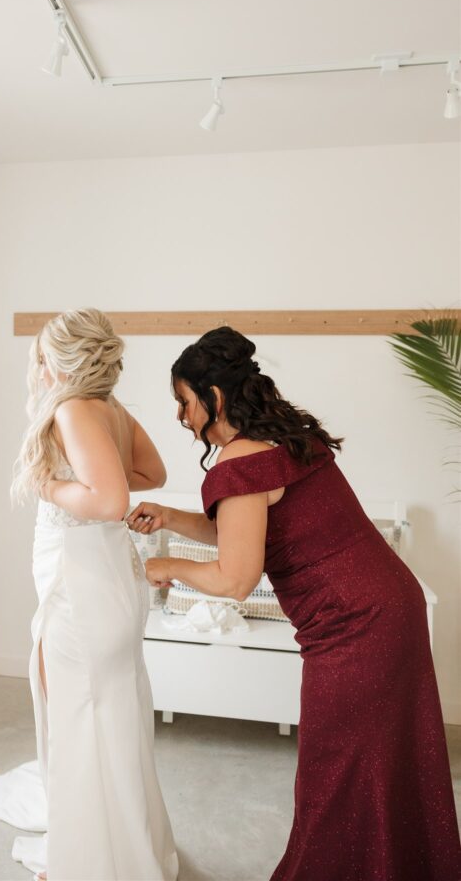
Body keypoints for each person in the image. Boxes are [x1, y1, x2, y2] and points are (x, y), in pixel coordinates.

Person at [128, 326, 461, 881]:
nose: (181, 417)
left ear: (213, 398)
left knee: (338, 775)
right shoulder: (283, 441)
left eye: (184, 403)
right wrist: (170, 517)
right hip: (391, 609)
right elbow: (246, 534)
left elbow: (236, 577)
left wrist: (164, 567)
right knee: (387, 766)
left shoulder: (238, 464)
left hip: (356, 631)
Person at [0, 308, 178, 881]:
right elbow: (152, 471)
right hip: (110, 578)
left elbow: (110, 501)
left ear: (54, 360)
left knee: (79, 720)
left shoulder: (70, 408)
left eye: (40, 356)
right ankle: (122, 850)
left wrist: (49, 483)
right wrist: (98, 476)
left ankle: (87, 863)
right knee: (108, 717)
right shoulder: (110, 409)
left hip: (83, 586)